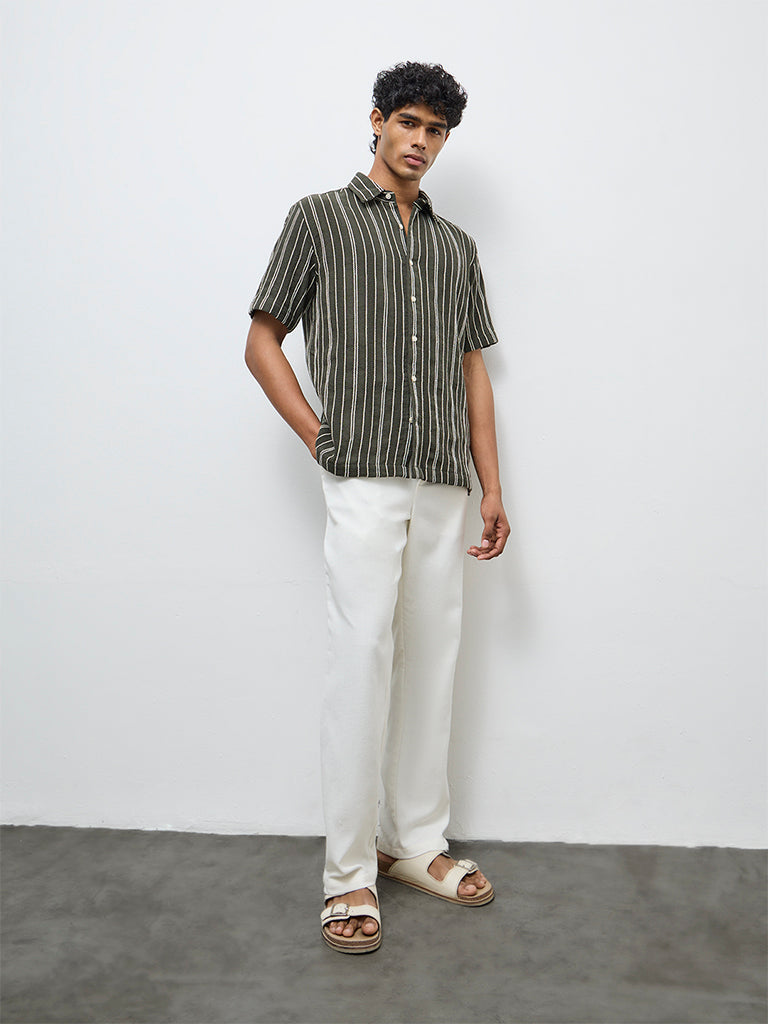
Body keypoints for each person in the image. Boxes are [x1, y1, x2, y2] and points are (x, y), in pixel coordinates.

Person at [244, 60, 510, 954]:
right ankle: (348, 873)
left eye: (436, 130)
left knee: (432, 662)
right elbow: (263, 339)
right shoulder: (317, 218)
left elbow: (473, 368)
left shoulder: (455, 247)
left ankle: (416, 845)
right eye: (409, 122)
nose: (421, 141)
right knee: (361, 660)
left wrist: (492, 485)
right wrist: (319, 436)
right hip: (362, 474)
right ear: (377, 121)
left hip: (442, 478)